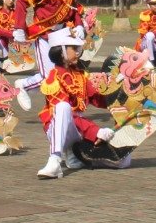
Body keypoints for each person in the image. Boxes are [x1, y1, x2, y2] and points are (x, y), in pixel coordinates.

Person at [36, 30, 119, 179]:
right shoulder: (53, 78)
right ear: (61, 51)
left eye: (78, 49)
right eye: (74, 49)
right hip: (59, 129)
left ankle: (74, 154)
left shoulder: (81, 75)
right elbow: (66, 114)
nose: (78, 53)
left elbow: (99, 100)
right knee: (63, 107)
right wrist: (95, 131)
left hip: (79, 131)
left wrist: (116, 90)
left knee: (124, 161)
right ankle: (54, 160)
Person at [12, 0, 84, 105]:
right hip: (44, 35)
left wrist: (79, 24)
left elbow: (73, 10)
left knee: (66, 72)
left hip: (63, 36)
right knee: (49, 76)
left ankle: (60, 105)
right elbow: (22, 2)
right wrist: (19, 28)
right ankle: (23, 85)